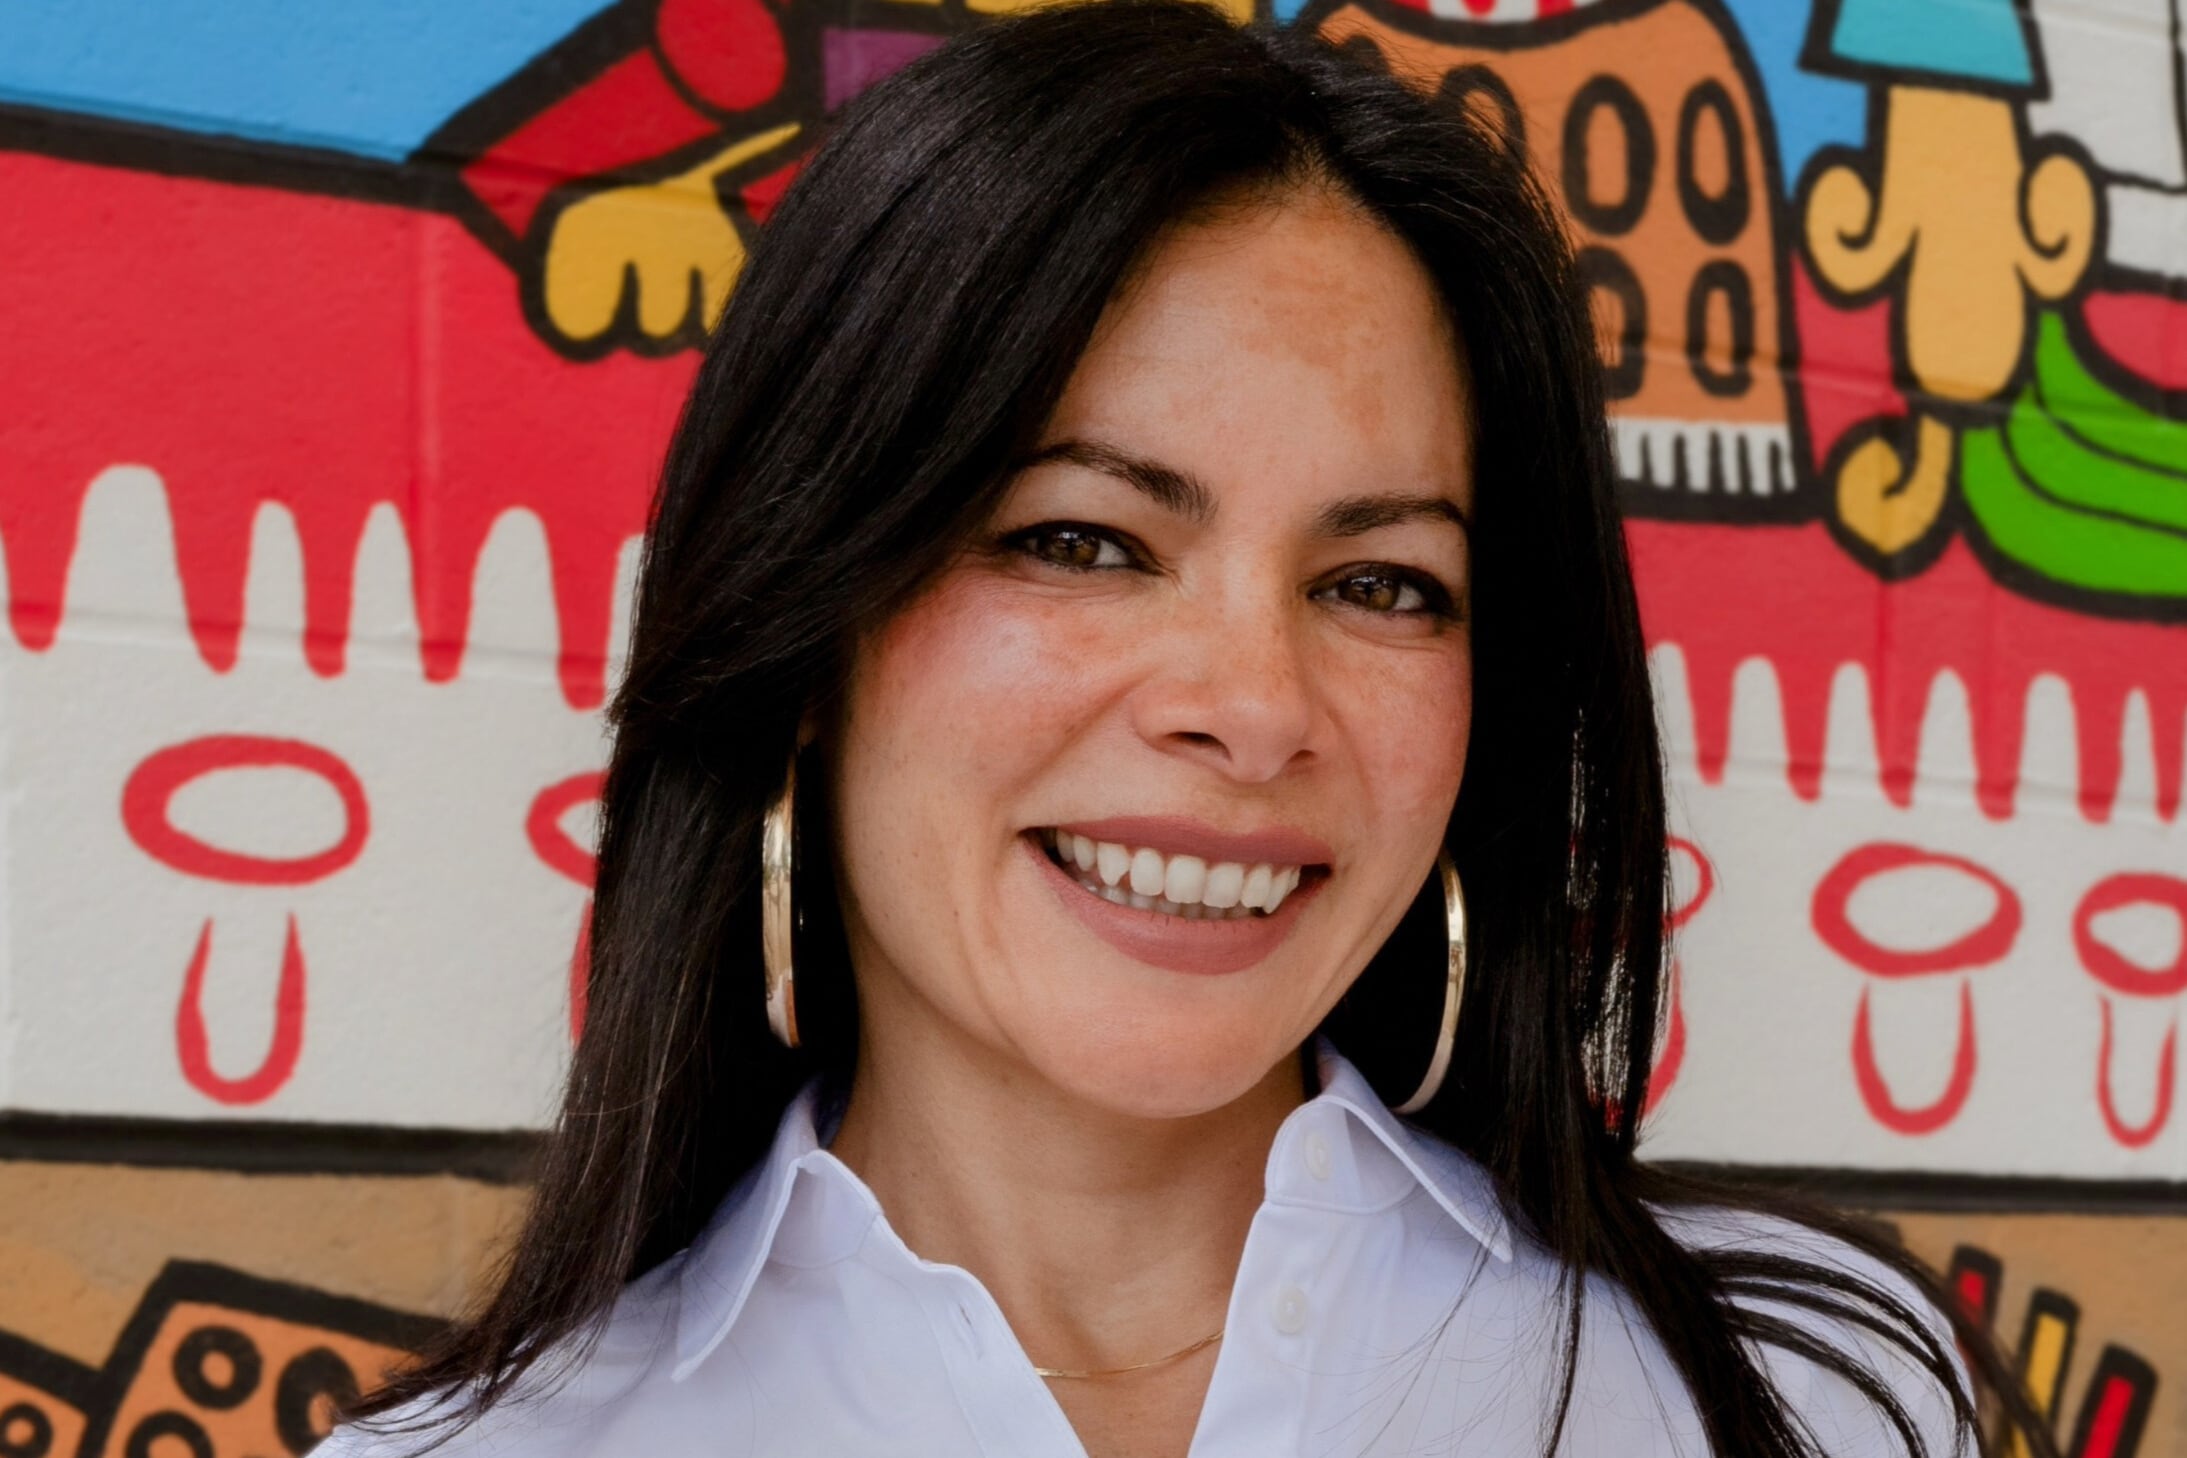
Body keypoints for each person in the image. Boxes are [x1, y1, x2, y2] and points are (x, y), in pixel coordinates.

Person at [326, 3, 2047, 1454]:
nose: (1252, 705)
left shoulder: (1807, 1395)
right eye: (1081, 540)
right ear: (805, 624)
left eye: (1381, 581)